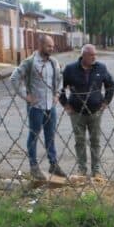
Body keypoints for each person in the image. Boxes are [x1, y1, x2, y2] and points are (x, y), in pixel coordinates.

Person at [10, 35, 66, 180]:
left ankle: (53, 164)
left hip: (50, 106)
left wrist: (57, 94)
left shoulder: (53, 62)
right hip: (36, 107)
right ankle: (34, 166)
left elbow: (60, 79)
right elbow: (14, 78)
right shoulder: (30, 62)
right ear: (40, 45)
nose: (51, 49)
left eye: (52, 46)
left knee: (50, 136)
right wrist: (25, 95)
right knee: (33, 136)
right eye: (49, 46)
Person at [60, 44, 114, 178]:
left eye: (95, 54)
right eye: (91, 55)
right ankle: (82, 169)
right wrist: (65, 104)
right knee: (80, 141)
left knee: (95, 141)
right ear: (83, 55)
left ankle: (96, 170)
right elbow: (59, 86)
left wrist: (106, 102)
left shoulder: (100, 68)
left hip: (95, 112)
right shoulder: (70, 69)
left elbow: (110, 84)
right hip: (77, 112)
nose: (94, 57)